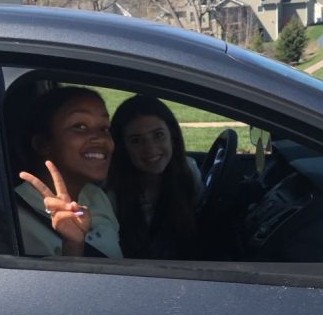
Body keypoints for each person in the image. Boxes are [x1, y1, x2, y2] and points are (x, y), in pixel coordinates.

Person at [16, 87, 122, 258]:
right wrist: (72, 245)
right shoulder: (17, 218)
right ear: (43, 144)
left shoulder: (95, 195)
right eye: (80, 126)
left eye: (104, 128)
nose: (101, 138)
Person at [108, 95, 203, 259]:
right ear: (123, 148)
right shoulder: (111, 191)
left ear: (172, 136)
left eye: (158, 135)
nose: (150, 148)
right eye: (136, 140)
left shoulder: (188, 171)